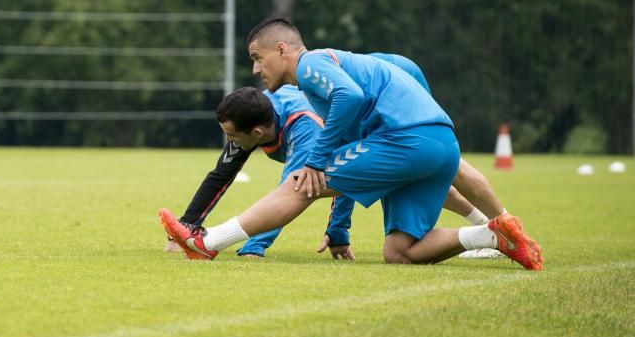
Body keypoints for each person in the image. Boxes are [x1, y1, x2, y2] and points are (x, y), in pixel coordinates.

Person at [160, 17, 543, 270]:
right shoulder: (325, 80)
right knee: (400, 252)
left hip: (406, 139)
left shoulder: (310, 66)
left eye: (258, 59)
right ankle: (495, 234)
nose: (257, 70)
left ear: (282, 50)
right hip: (438, 144)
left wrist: (316, 159)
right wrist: (339, 226)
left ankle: (207, 242)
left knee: (302, 182)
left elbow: (351, 97)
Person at [165, 83, 506, 260]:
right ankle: (495, 230)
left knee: (434, 177)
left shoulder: (305, 130)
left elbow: (313, 185)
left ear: (255, 133)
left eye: (229, 135)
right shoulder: (254, 113)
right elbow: (220, 173)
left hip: (396, 126)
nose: (228, 142)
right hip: (391, 138)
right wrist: (184, 227)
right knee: (425, 188)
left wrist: (257, 245)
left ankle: (497, 230)